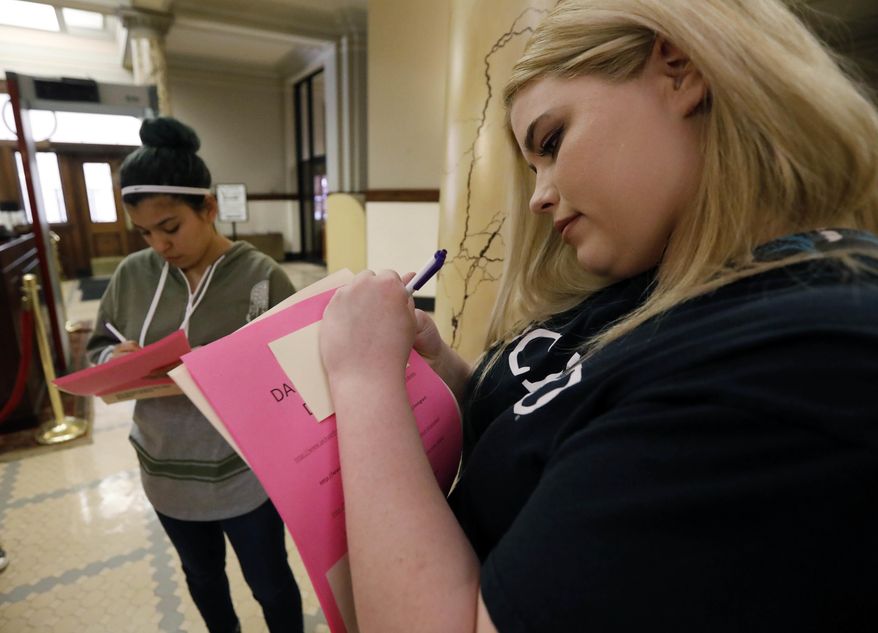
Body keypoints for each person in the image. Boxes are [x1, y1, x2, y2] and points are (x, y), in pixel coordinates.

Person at [318, 1, 878, 631]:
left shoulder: (804, 352)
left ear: (679, 70)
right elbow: (565, 414)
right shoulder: (677, 273)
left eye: (552, 142)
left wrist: (363, 379)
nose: (537, 196)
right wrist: (443, 369)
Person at [86, 117, 304, 633]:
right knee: (202, 578)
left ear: (208, 208)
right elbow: (99, 347)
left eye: (170, 228)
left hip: (244, 472)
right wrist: (113, 362)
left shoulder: (260, 276)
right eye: (143, 232)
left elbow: (297, 369)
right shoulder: (133, 274)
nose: (158, 245)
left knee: (270, 582)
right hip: (166, 470)